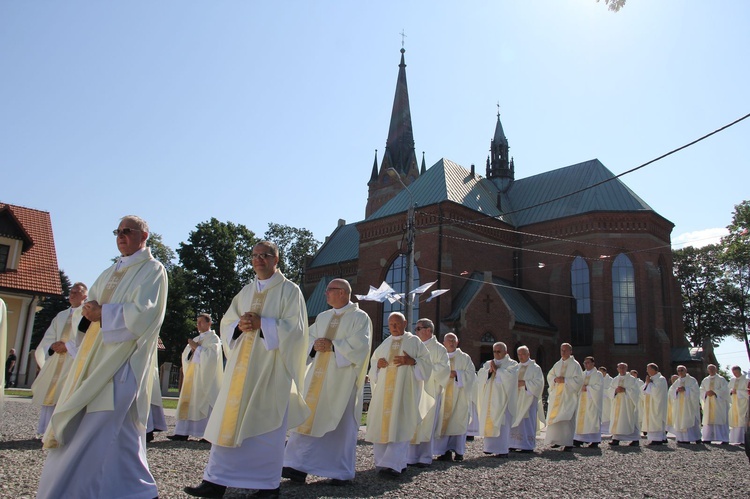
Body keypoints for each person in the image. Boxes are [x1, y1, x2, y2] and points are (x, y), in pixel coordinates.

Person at [37, 215, 168, 499]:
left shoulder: (153, 270)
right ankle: (139, 491)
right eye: (118, 232)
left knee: (91, 429)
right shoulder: (109, 272)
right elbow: (89, 309)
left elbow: (144, 315)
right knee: (122, 436)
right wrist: (90, 314)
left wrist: (103, 314)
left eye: (127, 231)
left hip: (122, 364)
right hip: (94, 362)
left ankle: (67, 491)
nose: (121, 236)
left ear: (144, 236)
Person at [185, 241, 309, 498]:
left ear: (277, 259)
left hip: (270, 369)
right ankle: (215, 481)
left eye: (265, 255)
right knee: (226, 421)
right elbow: (228, 322)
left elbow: (296, 331)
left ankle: (267, 486)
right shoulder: (245, 292)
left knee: (266, 426)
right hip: (241, 369)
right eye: (255, 255)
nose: (259, 259)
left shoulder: (289, 290)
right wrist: (238, 326)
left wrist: (263, 323)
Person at [282, 278, 372, 486]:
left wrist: (333, 346)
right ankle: (297, 466)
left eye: (329, 290)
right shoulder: (323, 317)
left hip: (341, 380)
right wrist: (314, 347)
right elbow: (307, 341)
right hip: (316, 378)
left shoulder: (360, 318)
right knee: (307, 419)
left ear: (342, 292)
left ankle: (340, 472)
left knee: (338, 425)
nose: (326, 294)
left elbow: (361, 346)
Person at [365, 312, 431, 478]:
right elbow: (374, 364)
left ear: (405, 323)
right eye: (391, 324)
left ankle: (392, 465)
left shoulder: (414, 342)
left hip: (404, 393)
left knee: (401, 425)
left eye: (397, 324)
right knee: (382, 426)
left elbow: (427, 366)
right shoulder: (385, 343)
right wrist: (378, 366)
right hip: (384, 396)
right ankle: (384, 463)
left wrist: (413, 362)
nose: (393, 327)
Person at [31, 282, 88, 434]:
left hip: (73, 360)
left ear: (85, 296)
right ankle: (45, 430)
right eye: (71, 291)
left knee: (66, 393)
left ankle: (61, 431)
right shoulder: (61, 315)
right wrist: (52, 346)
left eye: (77, 292)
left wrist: (68, 346)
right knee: (50, 392)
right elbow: (49, 335)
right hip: (57, 359)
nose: (72, 294)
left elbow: (86, 338)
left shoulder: (87, 314)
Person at [168, 313, 224, 442]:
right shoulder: (196, 338)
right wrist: (191, 351)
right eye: (197, 322)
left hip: (205, 379)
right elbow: (186, 356)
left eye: (201, 322)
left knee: (205, 403)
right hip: (192, 378)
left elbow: (211, 358)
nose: (198, 325)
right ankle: (182, 432)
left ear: (209, 323)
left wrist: (197, 348)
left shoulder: (214, 339)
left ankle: (207, 434)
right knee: (188, 403)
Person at [407, 318, 450, 468]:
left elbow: (444, 370)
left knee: (427, 423)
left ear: (428, 330)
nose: (415, 331)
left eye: (418, 329)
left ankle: (425, 457)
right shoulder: (414, 345)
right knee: (413, 422)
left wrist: (421, 366)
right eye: (416, 328)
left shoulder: (439, 349)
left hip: (430, 391)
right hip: (414, 389)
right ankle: (411, 457)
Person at [433, 332, 476, 462]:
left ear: (457, 342)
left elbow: (471, 375)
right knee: (442, 423)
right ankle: (444, 452)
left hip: (460, 396)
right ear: (443, 343)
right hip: (443, 394)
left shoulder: (465, 358)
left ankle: (459, 452)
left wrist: (457, 374)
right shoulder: (440, 356)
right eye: (448, 340)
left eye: (453, 340)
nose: (451, 342)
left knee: (458, 423)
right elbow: (433, 371)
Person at [477, 342, 519, 458]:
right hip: (490, 398)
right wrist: (489, 372)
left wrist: (498, 371)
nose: (496, 354)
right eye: (494, 351)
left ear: (506, 352)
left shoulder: (512, 364)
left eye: (499, 351)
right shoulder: (488, 363)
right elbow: (480, 376)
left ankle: (502, 449)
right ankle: (489, 447)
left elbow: (511, 378)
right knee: (489, 420)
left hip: (503, 400)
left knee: (502, 424)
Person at [545, 343, 583, 451]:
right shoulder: (557, 364)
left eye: (566, 350)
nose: (563, 352)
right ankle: (557, 440)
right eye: (562, 350)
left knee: (567, 419)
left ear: (571, 351)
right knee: (557, 419)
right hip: (558, 396)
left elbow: (579, 380)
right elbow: (550, 375)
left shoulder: (575, 365)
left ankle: (568, 443)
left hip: (568, 397)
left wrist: (565, 380)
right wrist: (555, 380)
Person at [509, 345, 544, 453]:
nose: (521, 356)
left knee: (527, 421)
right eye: (519, 354)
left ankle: (527, 445)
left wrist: (524, 383)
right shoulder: (516, 367)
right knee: (515, 419)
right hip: (517, 398)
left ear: (528, 354)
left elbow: (539, 383)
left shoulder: (535, 368)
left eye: (523, 354)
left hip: (529, 399)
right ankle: (513, 443)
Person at [608, 362, 641, 447]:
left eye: (623, 368)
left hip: (628, 405)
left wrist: (625, 390)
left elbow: (636, 392)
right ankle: (616, 438)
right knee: (617, 420)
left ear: (626, 369)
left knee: (629, 420)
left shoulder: (632, 379)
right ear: (617, 369)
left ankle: (635, 439)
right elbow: (609, 390)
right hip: (617, 404)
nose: (622, 369)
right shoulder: (615, 379)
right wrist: (615, 391)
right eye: (620, 368)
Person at [573, 356, 603, 448]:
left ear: (593, 363)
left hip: (592, 401)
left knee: (592, 419)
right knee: (581, 419)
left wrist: (588, 388)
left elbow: (599, 388)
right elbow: (577, 385)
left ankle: (594, 440)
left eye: (588, 362)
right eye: (584, 363)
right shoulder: (582, 374)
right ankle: (579, 439)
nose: (586, 364)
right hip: (582, 400)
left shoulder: (598, 374)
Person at [668, 365, 701, 445]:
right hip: (679, 405)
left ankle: (695, 438)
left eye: (682, 370)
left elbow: (696, 391)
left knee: (690, 420)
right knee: (680, 420)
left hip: (688, 405)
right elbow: (671, 390)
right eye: (678, 371)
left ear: (685, 371)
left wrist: (686, 389)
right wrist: (677, 390)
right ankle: (681, 438)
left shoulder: (692, 380)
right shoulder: (677, 381)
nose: (680, 372)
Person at [700, 364, 730, 444]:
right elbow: (701, 390)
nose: (711, 371)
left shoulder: (721, 379)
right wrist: (706, 393)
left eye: (713, 369)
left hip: (719, 404)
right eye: (709, 369)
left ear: (716, 370)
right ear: (707, 370)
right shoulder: (705, 380)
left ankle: (723, 439)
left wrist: (715, 392)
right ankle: (707, 438)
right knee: (708, 420)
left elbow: (726, 390)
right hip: (708, 403)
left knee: (720, 419)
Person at [641, 363, 668, 446]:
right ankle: (660, 438)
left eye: (648, 369)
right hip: (650, 404)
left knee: (656, 419)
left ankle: (658, 439)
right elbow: (643, 390)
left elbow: (657, 391)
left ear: (653, 369)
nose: (647, 371)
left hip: (657, 405)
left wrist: (649, 383)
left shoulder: (661, 379)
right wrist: (647, 383)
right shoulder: (651, 379)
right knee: (652, 420)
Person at [728, 366, 749, 445]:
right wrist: (731, 391)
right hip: (734, 403)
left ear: (740, 371)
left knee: (742, 419)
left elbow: (748, 392)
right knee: (734, 419)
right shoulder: (732, 380)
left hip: (742, 403)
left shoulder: (746, 380)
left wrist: (738, 392)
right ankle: (735, 439)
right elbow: (728, 390)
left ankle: (744, 440)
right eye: (734, 373)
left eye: (736, 372)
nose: (735, 374)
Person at [598, 366, 613, 435]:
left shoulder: (610, 380)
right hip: (599, 400)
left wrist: (604, 392)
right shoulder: (597, 379)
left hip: (607, 400)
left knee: (607, 414)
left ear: (605, 372)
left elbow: (611, 389)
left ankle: (607, 429)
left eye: (601, 372)